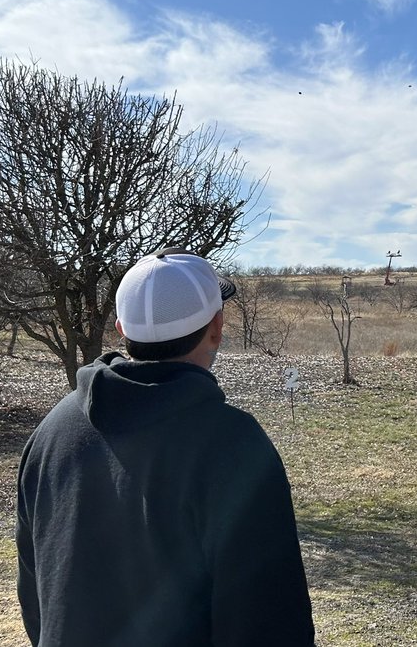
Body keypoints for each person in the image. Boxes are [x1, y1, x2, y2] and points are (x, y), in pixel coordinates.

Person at [16, 249, 315, 647]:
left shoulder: (51, 431)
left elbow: (36, 595)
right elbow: (270, 620)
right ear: (217, 327)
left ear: (123, 328)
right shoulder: (234, 447)